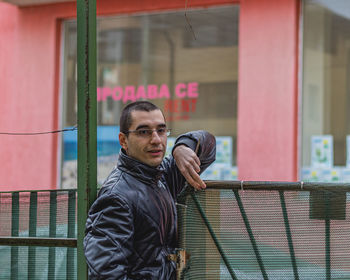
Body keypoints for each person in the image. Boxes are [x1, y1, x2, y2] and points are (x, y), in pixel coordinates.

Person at [84, 100, 216, 279]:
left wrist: (182, 146)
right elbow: (106, 274)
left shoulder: (162, 175)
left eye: (161, 131)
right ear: (123, 140)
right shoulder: (116, 197)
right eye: (144, 132)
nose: (156, 140)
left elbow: (209, 145)